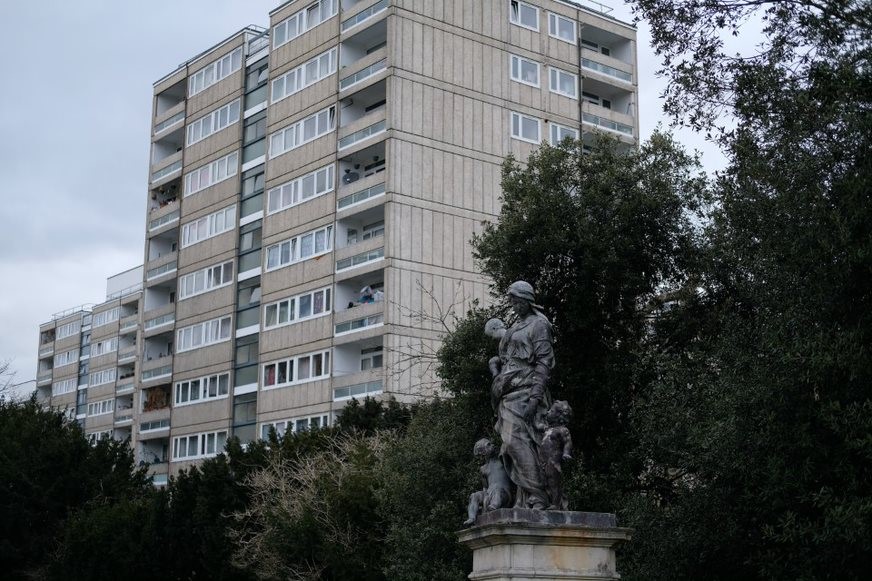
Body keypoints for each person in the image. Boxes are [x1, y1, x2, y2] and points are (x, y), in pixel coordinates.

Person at [489, 281, 554, 510]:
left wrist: (535, 398)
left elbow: (544, 361)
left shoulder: (539, 325)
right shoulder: (516, 326)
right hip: (508, 393)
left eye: (517, 301)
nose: (514, 306)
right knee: (510, 444)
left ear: (527, 299)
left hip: (527, 392)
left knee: (516, 442)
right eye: (512, 302)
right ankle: (526, 496)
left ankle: (538, 495)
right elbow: (506, 355)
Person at [463, 438, 512, 525]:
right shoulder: (483, 468)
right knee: (474, 496)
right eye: (488, 445)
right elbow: (485, 486)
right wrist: (484, 497)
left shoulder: (501, 459)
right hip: (489, 494)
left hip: (504, 494)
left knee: (497, 490)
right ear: (483, 452)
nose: (492, 445)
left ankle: (493, 508)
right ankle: (472, 518)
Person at [537, 400, 573, 510]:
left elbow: (568, 442)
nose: (547, 412)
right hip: (543, 461)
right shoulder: (548, 428)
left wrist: (566, 453)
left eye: (551, 411)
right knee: (545, 481)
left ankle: (556, 504)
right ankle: (549, 501)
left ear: (559, 415)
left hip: (553, 461)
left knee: (553, 482)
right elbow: (537, 426)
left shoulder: (562, 430)